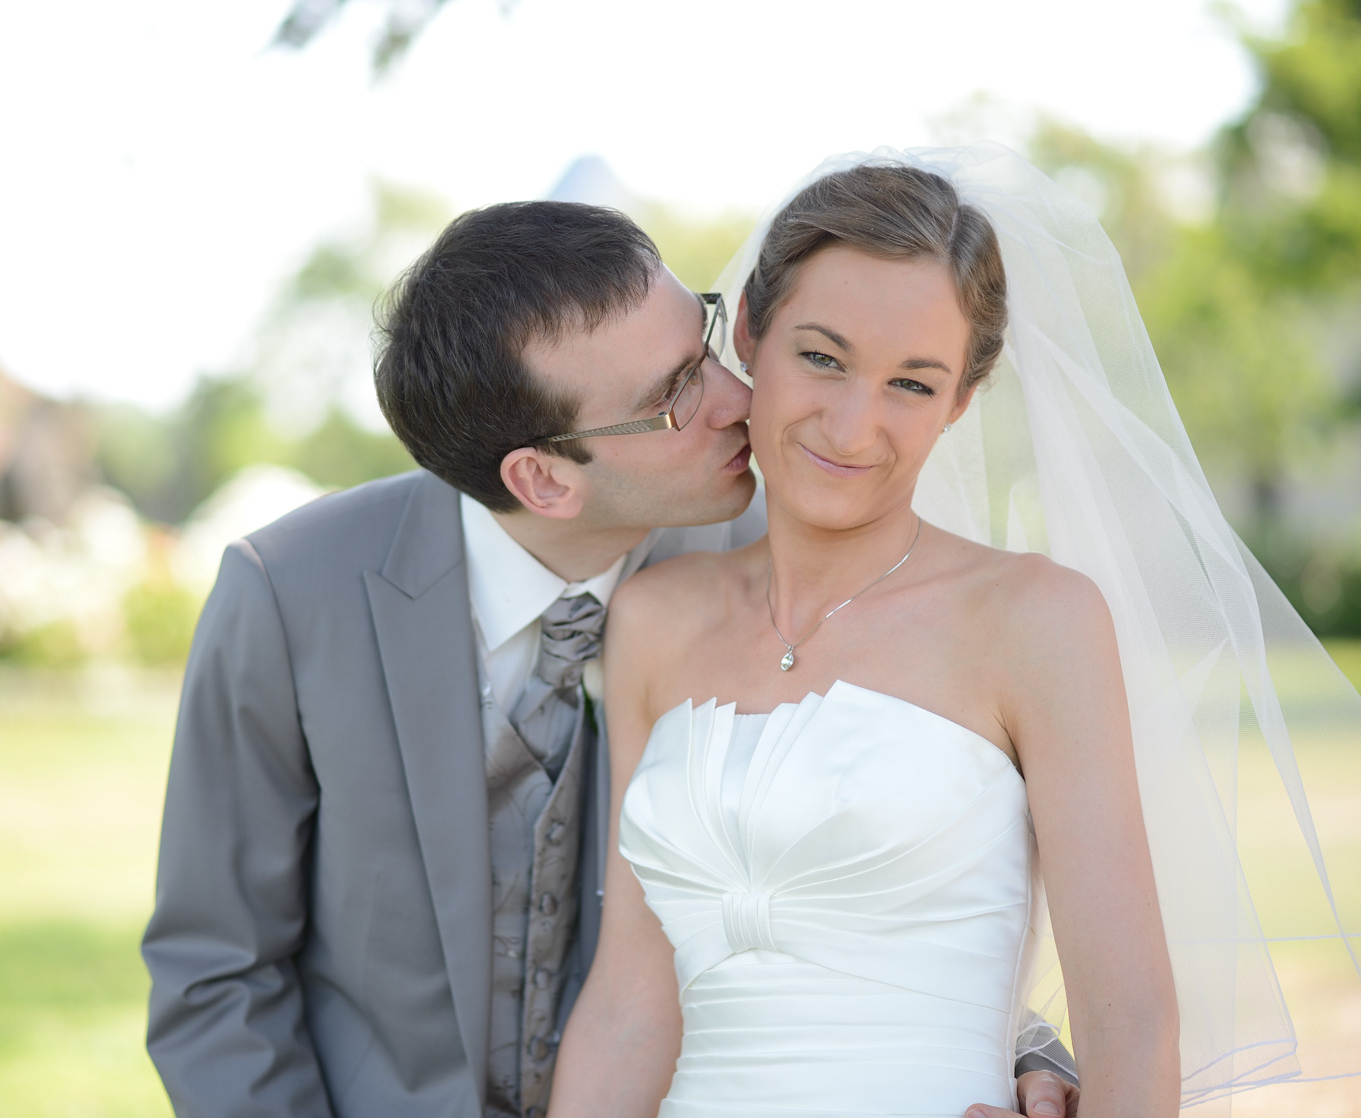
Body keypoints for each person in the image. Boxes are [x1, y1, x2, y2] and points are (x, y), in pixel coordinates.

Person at [140, 198, 1080, 1117]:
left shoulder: (784, 569)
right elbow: (216, 972)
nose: (736, 400)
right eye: (673, 397)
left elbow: (876, 871)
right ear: (543, 480)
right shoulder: (291, 595)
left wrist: (1022, 1051)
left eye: (702, 347)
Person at [550, 147, 1361, 1117]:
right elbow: (629, 1006)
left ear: (961, 401)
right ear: (752, 335)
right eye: (822, 357)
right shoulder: (654, 618)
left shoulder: (1035, 620)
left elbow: (1134, 1023)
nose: (853, 426)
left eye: (911, 383)